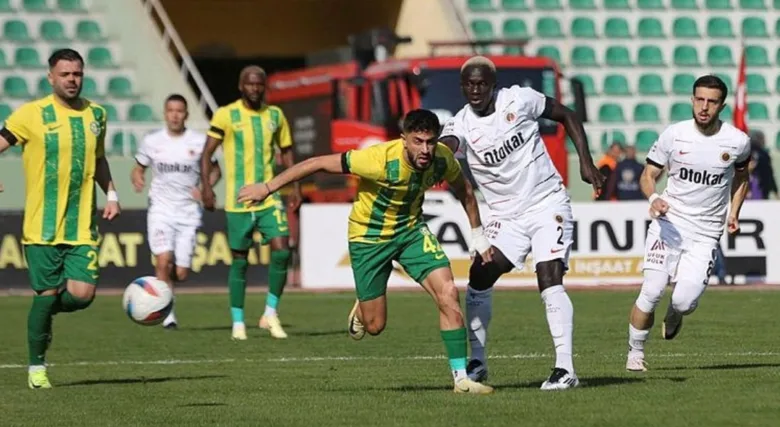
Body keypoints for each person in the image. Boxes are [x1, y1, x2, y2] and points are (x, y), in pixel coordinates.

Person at [237, 109, 494, 395]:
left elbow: (466, 191)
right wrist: (268, 187)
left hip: (410, 233)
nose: (425, 149)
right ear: (404, 140)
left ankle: (461, 380)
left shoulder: (442, 158)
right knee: (374, 326)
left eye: (430, 142)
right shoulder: (377, 159)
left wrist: (478, 236)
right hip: (368, 239)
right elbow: (317, 163)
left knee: (448, 292)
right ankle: (362, 308)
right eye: (418, 141)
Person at [440, 56, 604, 390]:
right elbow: (449, 147)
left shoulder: (520, 99)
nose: (475, 90)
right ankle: (478, 362)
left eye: (482, 84)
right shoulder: (459, 125)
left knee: (549, 276)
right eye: (469, 84)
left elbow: (566, 115)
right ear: (462, 87)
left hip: (546, 202)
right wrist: (432, 157)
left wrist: (586, 164)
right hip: (505, 216)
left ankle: (565, 369)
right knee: (480, 274)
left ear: (493, 85)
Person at [0, 48, 120, 389]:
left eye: (77, 73)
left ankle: (43, 314)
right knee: (47, 292)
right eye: (65, 74)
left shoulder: (97, 114)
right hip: (42, 226)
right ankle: (36, 368)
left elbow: (99, 159)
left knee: (83, 295)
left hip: (82, 224)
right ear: (50, 77)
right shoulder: (30, 114)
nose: (72, 79)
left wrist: (111, 194)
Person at [625, 75, 750, 372]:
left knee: (683, 302)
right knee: (652, 289)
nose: (704, 107)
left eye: (712, 101)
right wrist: (653, 197)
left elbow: (743, 179)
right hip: (669, 223)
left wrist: (734, 213)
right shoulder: (674, 135)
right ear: (692, 100)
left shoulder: (737, 142)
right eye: (700, 99)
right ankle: (635, 352)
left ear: (721, 105)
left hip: (706, 233)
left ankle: (676, 313)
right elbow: (648, 175)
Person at [199, 65, 301, 341]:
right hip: (238, 201)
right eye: (250, 84)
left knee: (282, 250)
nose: (255, 88)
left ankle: (270, 313)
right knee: (240, 261)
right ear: (240, 86)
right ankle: (238, 321)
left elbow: (287, 152)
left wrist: (295, 187)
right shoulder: (226, 114)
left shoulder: (275, 115)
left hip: (269, 198)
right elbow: (206, 154)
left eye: (259, 84)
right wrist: (207, 188)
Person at [132, 94, 218, 328]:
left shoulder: (199, 142)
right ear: (165, 113)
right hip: (160, 209)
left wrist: (206, 188)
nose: (175, 115)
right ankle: (166, 314)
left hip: (188, 212)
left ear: (186, 114)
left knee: (180, 273)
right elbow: (138, 168)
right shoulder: (152, 141)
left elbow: (215, 170)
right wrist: (138, 177)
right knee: (163, 260)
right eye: (171, 110)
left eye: (179, 111)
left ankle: (169, 294)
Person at [748, 130, 778, 200]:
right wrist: (775, 191)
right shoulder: (763, 154)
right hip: (761, 189)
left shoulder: (743, 152)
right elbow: (769, 174)